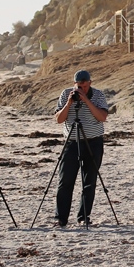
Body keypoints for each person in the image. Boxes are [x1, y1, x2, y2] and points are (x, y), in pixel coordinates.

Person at [53, 69, 108, 226]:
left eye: (84, 86)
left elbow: (102, 117)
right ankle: (60, 218)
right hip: (71, 142)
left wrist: (86, 101)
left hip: (93, 142)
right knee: (65, 181)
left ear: (90, 83)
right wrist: (69, 103)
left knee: (89, 180)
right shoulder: (66, 94)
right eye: (78, 86)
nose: (81, 89)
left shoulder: (98, 95)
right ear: (74, 84)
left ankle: (83, 216)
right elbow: (58, 119)